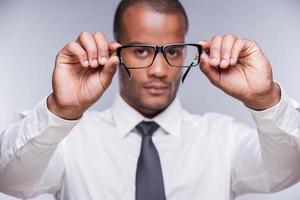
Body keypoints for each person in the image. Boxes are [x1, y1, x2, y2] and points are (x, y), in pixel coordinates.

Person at [1, 0, 300, 199]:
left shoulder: (223, 139)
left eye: (172, 51)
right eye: (141, 50)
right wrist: (59, 110)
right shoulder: (70, 141)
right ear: (116, 52)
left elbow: (288, 169)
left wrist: (266, 99)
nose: (159, 70)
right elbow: (9, 179)